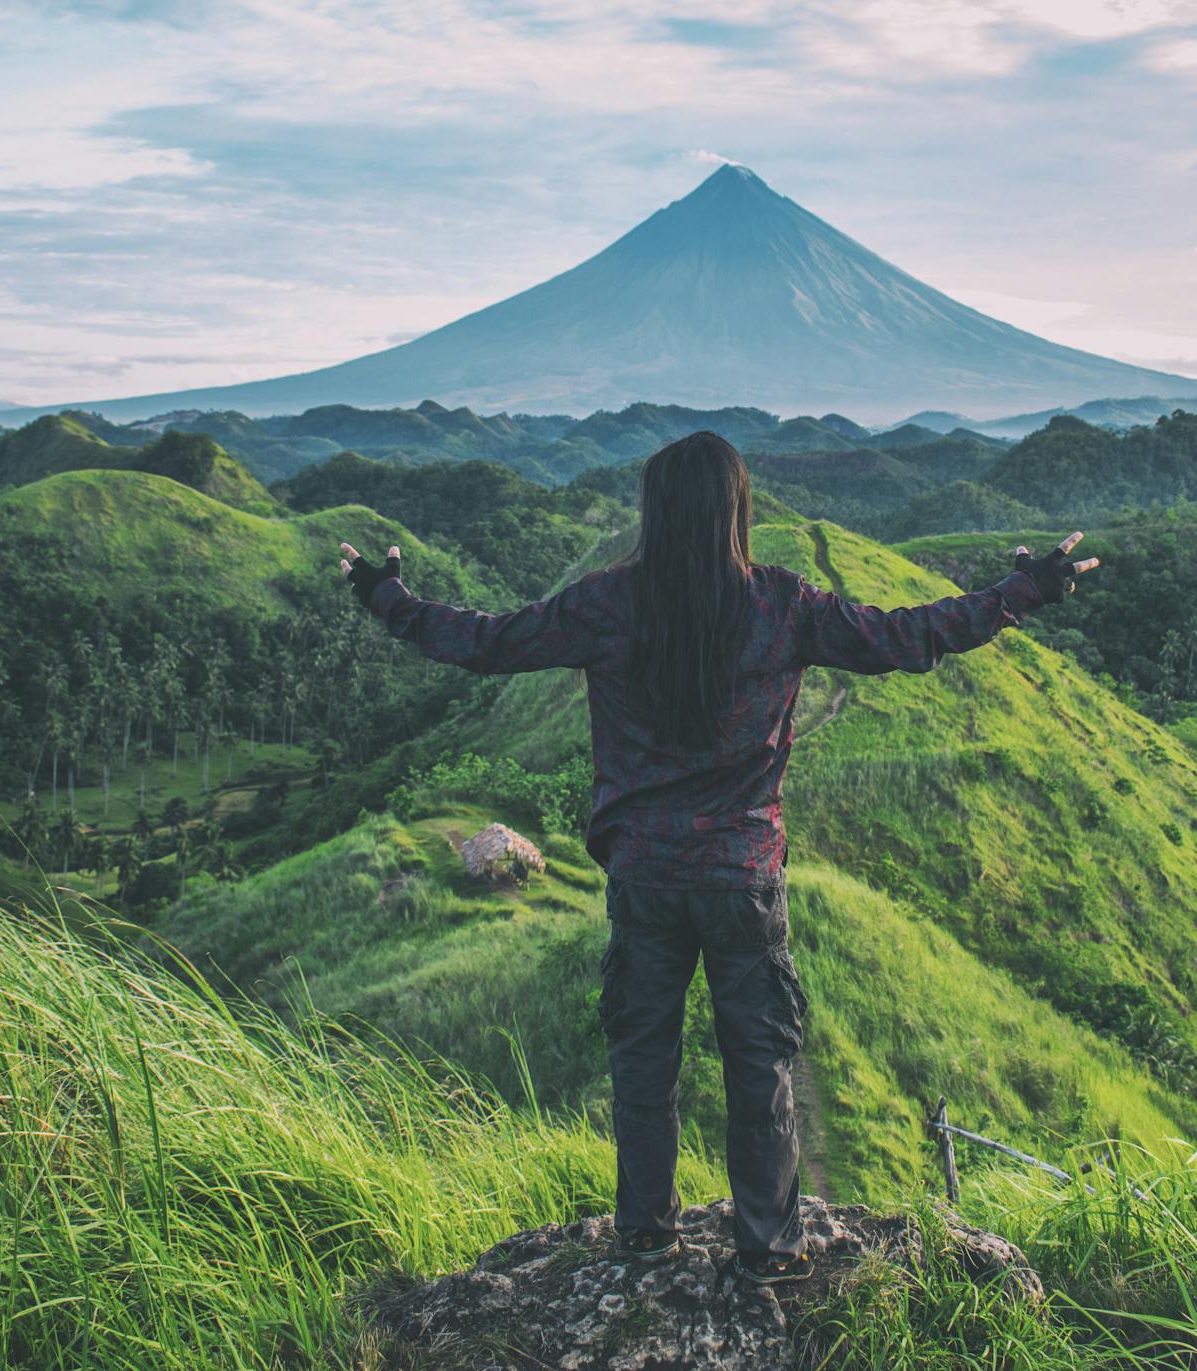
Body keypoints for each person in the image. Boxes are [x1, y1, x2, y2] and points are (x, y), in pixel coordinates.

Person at [335, 430, 1096, 1283]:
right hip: (742, 876)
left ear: (655, 512)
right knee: (760, 1065)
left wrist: (386, 597)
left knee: (643, 1061)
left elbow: (485, 641)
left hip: (646, 877)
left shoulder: (607, 603)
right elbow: (906, 636)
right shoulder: (782, 603)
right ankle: (770, 1250)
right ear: (738, 510)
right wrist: (1020, 592)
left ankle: (645, 1235)